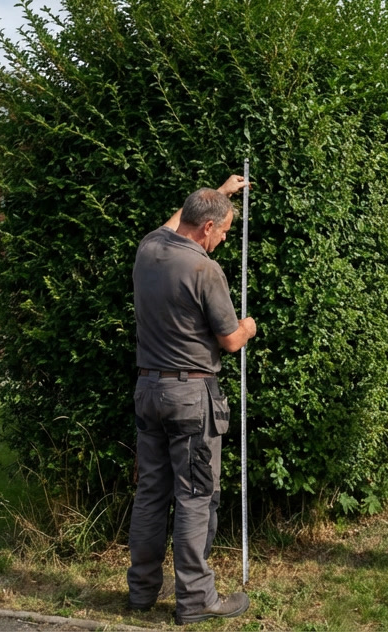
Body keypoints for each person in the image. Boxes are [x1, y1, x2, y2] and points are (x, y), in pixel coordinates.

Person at [128, 175, 257, 625]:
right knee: (196, 495)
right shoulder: (204, 269)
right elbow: (229, 341)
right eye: (222, 232)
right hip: (192, 397)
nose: (222, 240)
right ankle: (197, 599)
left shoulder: (148, 250)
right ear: (206, 229)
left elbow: (173, 224)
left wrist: (221, 193)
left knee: (150, 494)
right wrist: (250, 326)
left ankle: (141, 592)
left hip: (148, 390)